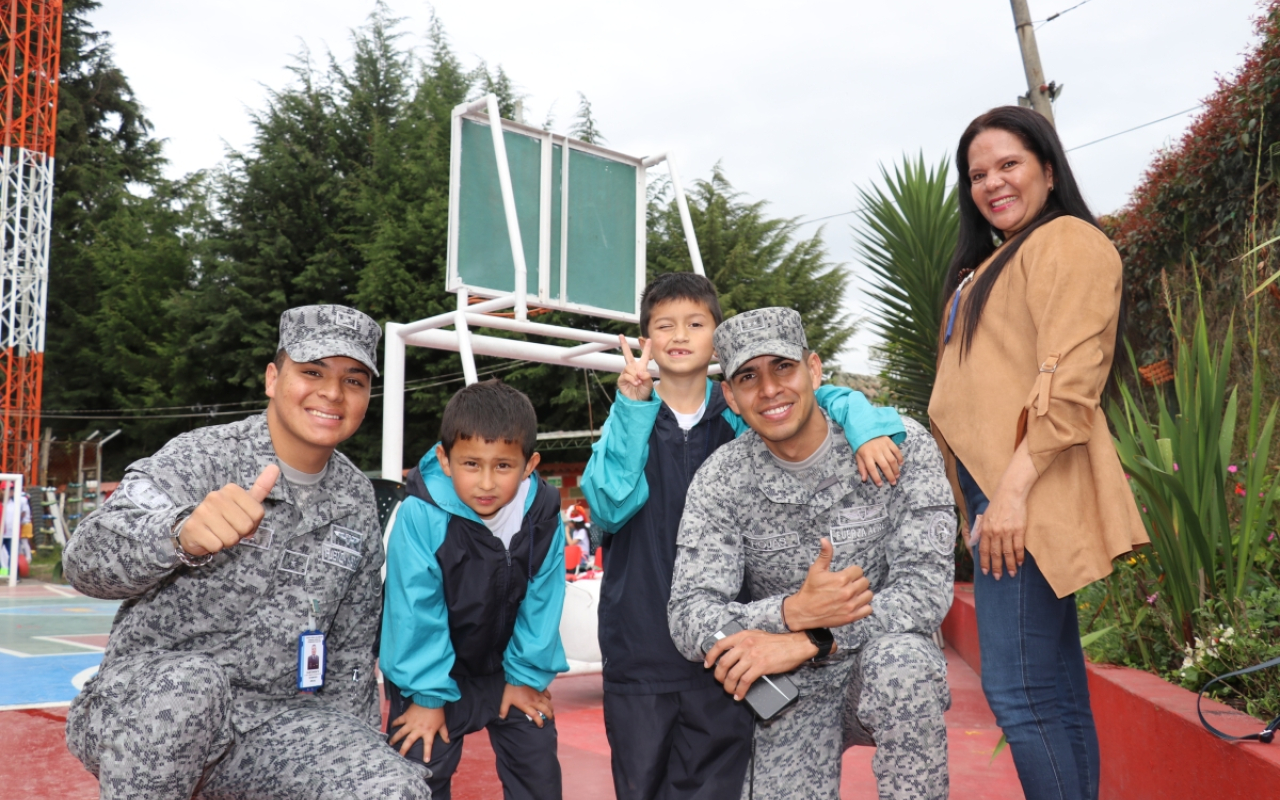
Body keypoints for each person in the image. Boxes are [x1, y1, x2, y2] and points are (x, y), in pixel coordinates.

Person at [62, 305, 430, 800]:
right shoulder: (203, 457)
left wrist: (353, 753)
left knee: (390, 788)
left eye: (354, 380)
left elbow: (348, 654)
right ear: (273, 378)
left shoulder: (355, 499)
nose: (332, 393)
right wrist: (178, 535)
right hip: (147, 711)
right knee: (191, 688)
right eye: (313, 371)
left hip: (272, 725)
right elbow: (84, 561)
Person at [581, 273, 907, 800]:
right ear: (646, 340)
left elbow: (824, 400)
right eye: (664, 325)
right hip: (640, 653)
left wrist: (867, 426)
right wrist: (634, 408)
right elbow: (611, 505)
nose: (680, 334)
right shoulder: (629, 416)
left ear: (719, 339)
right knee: (640, 786)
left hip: (732, 650)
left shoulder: (743, 415)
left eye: (695, 323)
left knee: (718, 787)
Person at [928, 106, 1148, 800]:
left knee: (1020, 691)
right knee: (1051, 689)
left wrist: (1012, 494)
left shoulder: (1067, 242)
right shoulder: (991, 263)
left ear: (1048, 170)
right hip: (1002, 497)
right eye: (977, 174)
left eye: (1009, 164)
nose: (992, 183)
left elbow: (1072, 379)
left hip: (1025, 494)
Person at [667, 307, 955, 800]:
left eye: (783, 367)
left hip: (878, 660)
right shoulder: (721, 480)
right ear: (731, 397)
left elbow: (925, 589)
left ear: (815, 370)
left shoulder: (898, 447)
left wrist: (811, 638)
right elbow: (689, 615)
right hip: (786, 689)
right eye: (748, 377)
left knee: (905, 664)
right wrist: (788, 613)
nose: (770, 390)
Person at [381, 379, 568, 800]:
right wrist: (427, 697)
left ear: (529, 464)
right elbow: (414, 609)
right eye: (471, 464)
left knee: (538, 767)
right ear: (445, 460)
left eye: (503, 466)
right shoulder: (420, 514)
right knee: (419, 773)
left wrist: (524, 676)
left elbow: (544, 600)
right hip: (431, 673)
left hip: (509, 668)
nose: (486, 482)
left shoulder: (542, 516)